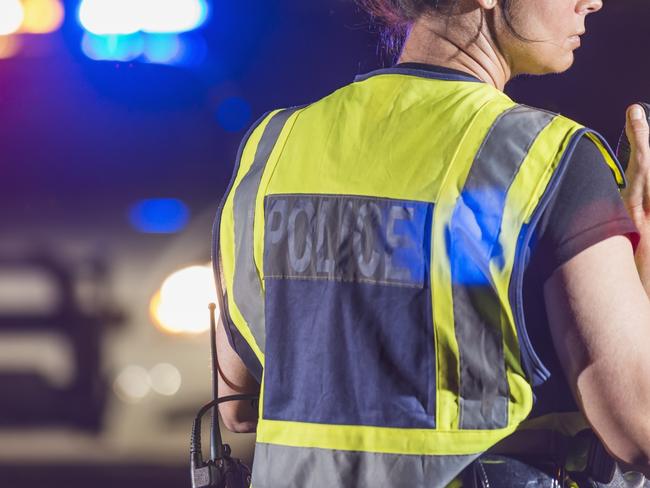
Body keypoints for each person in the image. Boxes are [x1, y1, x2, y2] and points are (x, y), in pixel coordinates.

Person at [211, 0, 650, 486]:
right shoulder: (549, 159)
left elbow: (239, 403)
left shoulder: (274, 145)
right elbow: (638, 427)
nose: (592, 2)